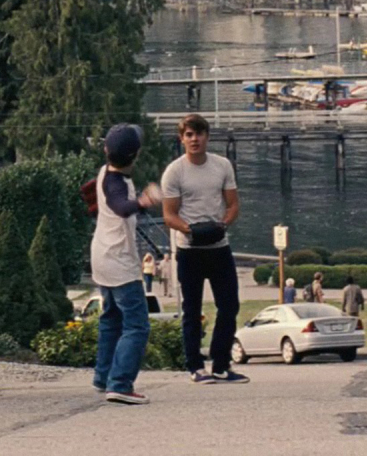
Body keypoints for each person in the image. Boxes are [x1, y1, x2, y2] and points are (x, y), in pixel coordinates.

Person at [161, 114, 249, 385]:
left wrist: (222, 224)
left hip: (219, 247)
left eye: (199, 134)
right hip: (189, 249)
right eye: (189, 135)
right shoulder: (174, 172)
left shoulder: (222, 166)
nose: (194, 139)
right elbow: (169, 215)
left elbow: (233, 205)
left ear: (207, 137)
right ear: (182, 139)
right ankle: (196, 367)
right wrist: (189, 229)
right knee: (192, 309)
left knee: (229, 306)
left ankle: (221, 365)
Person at [91, 124, 162, 405]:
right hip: (119, 263)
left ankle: (103, 376)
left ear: (106, 150)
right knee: (137, 326)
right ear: (136, 155)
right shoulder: (116, 183)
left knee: (111, 319)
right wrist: (144, 200)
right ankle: (120, 383)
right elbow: (121, 207)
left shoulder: (105, 173)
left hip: (102, 256)